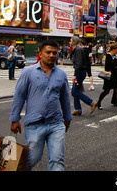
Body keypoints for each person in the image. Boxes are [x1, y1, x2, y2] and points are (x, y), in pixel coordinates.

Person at [10, 40, 72, 171]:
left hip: (56, 124)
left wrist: (67, 117)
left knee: (57, 161)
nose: (51, 55)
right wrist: (15, 119)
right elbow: (19, 95)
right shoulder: (28, 72)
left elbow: (65, 98)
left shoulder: (61, 75)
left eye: (54, 53)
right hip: (34, 124)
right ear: (40, 53)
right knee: (32, 158)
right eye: (48, 52)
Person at [70, 37, 97, 116]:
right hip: (81, 72)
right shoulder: (78, 50)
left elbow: (78, 63)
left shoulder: (78, 50)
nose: (69, 42)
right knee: (76, 90)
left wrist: (75, 75)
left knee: (74, 91)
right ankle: (77, 109)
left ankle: (91, 102)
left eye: (70, 41)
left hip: (80, 73)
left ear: (74, 42)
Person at [97, 43, 117, 112]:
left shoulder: (116, 56)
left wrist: (116, 63)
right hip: (109, 76)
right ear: (114, 49)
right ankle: (99, 102)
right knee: (106, 91)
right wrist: (115, 63)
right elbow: (108, 66)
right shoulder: (108, 56)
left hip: (116, 75)